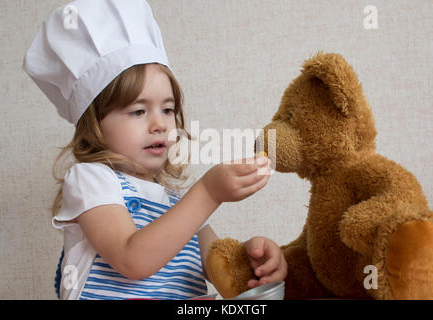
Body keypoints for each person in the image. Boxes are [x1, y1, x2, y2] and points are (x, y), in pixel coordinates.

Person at [22, 0, 287, 300]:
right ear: (93, 125)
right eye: (138, 111)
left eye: (168, 109)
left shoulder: (180, 202)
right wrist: (209, 193)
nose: (160, 124)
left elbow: (217, 266)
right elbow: (131, 259)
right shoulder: (90, 181)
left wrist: (251, 263)